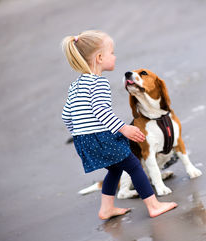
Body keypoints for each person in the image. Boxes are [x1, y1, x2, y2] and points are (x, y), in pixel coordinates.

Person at [61, 30, 177, 220]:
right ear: (99, 58)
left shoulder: (76, 85)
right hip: (100, 137)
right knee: (134, 166)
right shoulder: (99, 84)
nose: (114, 57)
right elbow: (101, 111)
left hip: (83, 140)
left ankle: (106, 209)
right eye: (112, 53)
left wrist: (79, 133)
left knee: (115, 169)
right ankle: (153, 205)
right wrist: (125, 128)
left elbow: (66, 114)